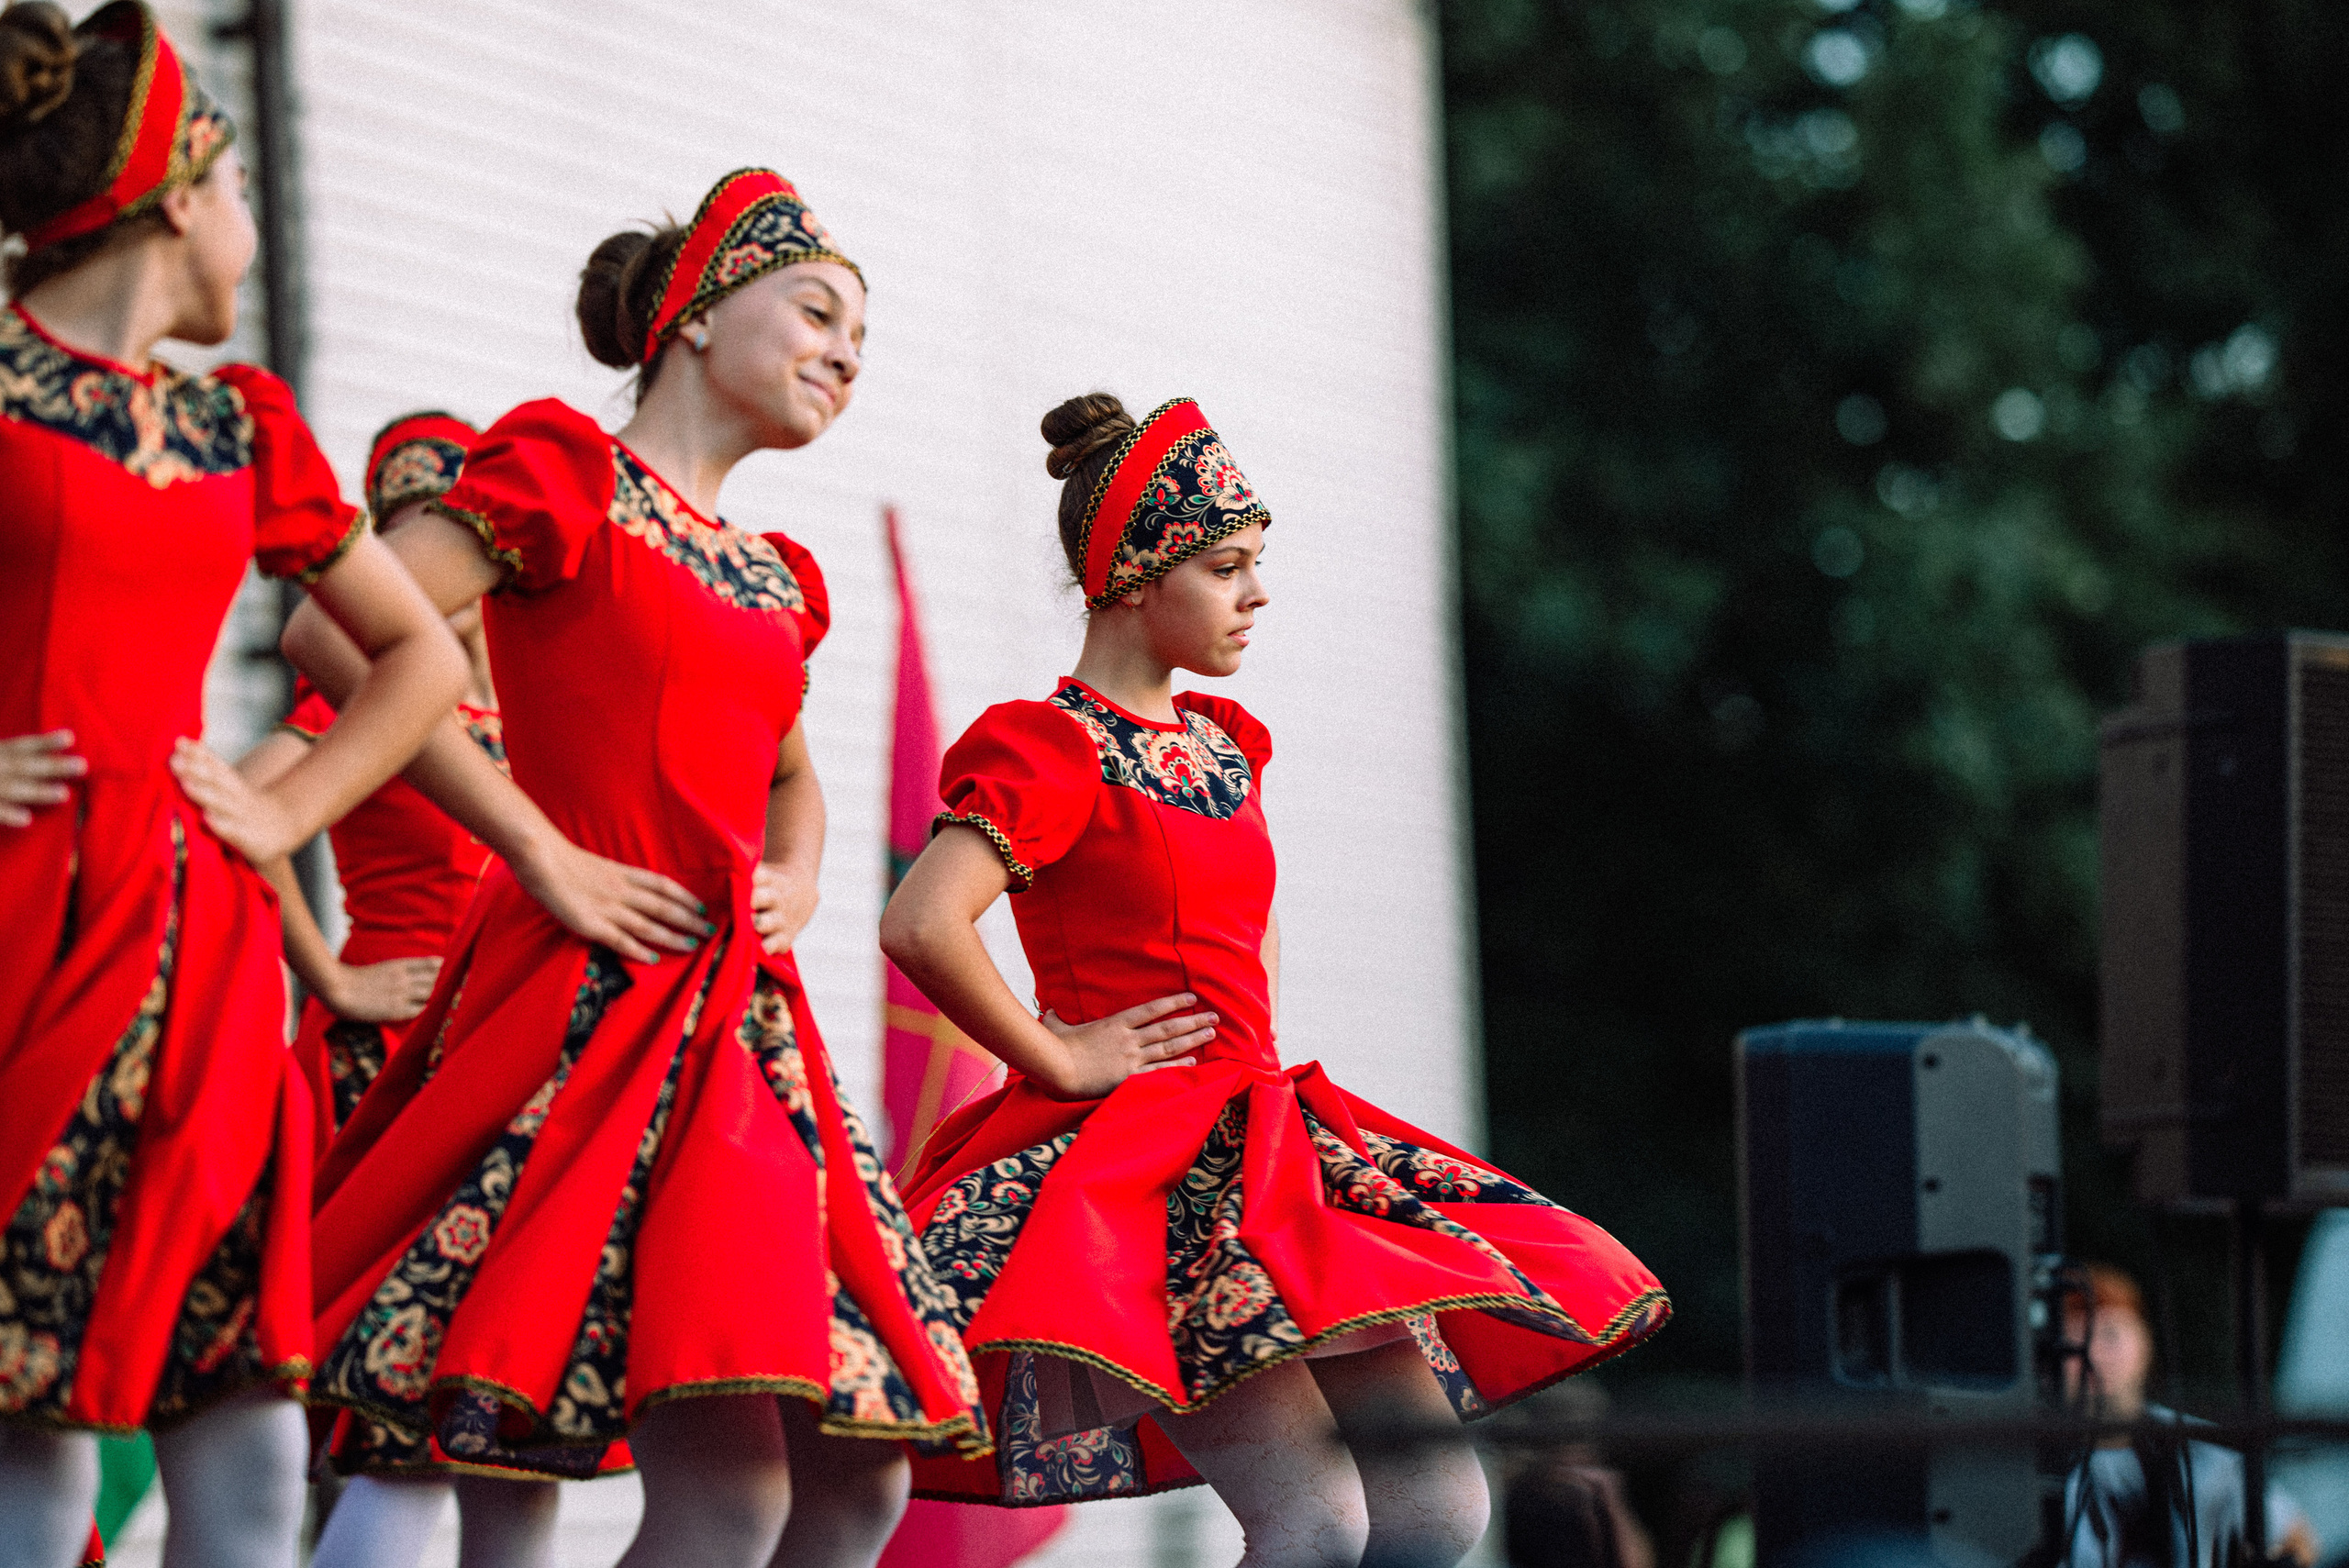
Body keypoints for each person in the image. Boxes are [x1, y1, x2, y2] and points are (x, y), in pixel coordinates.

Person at [288, 168, 987, 1568]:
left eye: (865, 337)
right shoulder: (566, 474)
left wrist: (794, 870)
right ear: (697, 313)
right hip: (594, 1004)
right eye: (818, 310)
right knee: (717, 1490)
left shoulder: (774, 575)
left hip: (748, 1029)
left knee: (858, 1485)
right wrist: (539, 852)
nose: (847, 351)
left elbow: (793, 778)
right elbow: (341, 636)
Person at [881, 392, 1671, 1568]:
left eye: (1258, 564)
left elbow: (1252, 938)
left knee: (1440, 1508)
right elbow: (922, 921)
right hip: (1148, 1175)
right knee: (1313, 1524)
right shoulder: (1049, 746)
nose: (1257, 593)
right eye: (1225, 566)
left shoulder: (1224, 744)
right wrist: (1060, 1055)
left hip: (1269, 1141)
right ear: (1134, 577)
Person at [0, 5, 470, 1564]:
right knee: (33, 1435)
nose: (252, 231)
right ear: (183, 188)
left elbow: (416, 664)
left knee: (251, 1438)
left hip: (198, 949)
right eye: (241, 188)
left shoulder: (237, 424)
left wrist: (283, 807)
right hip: (20, 933)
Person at [239, 412, 570, 1568]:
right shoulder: (367, 701)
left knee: (489, 1413)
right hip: (388, 1067)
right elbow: (243, 807)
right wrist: (329, 967)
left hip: (503, 1067)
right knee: (395, 1416)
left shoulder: (534, 716)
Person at [2063, 1263, 2317, 1568]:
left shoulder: (2201, 1449)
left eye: (2110, 1334)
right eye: (2074, 1341)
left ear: (2145, 1343)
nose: (2092, 1354)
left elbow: (2296, 1540)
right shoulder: (2031, 1460)